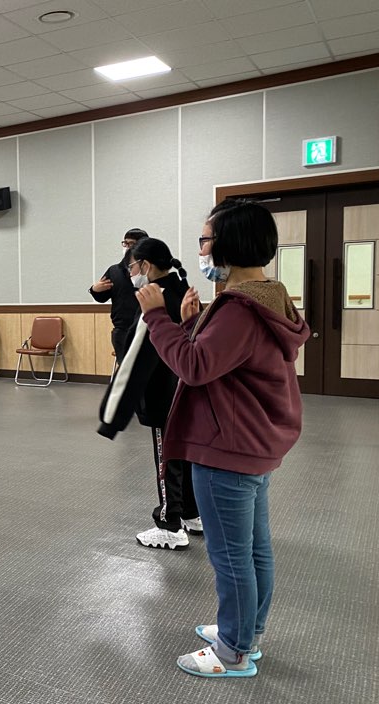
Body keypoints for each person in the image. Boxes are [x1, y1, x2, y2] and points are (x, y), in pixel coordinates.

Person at [135, 199, 309, 678]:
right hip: (253, 442)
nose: (202, 251)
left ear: (229, 243)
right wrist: (191, 324)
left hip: (226, 447)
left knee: (231, 556)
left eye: (205, 240)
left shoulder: (239, 308)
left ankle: (232, 650)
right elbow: (225, 361)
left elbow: (194, 367)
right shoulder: (269, 296)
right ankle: (246, 632)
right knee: (253, 549)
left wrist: (157, 317)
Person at [97, 237, 202, 550]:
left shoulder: (155, 301)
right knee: (185, 455)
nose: (130, 272)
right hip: (187, 391)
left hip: (162, 394)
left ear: (145, 265)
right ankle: (192, 514)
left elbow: (133, 360)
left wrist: (112, 415)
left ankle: (169, 524)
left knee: (167, 457)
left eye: (131, 266)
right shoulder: (183, 290)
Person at [90, 228, 149, 359]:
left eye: (132, 244)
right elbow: (101, 297)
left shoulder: (152, 271)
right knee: (125, 368)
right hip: (122, 330)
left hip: (148, 329)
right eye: (125, 243)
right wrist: (95, 289)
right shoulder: (114, 271)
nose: (127, 247)